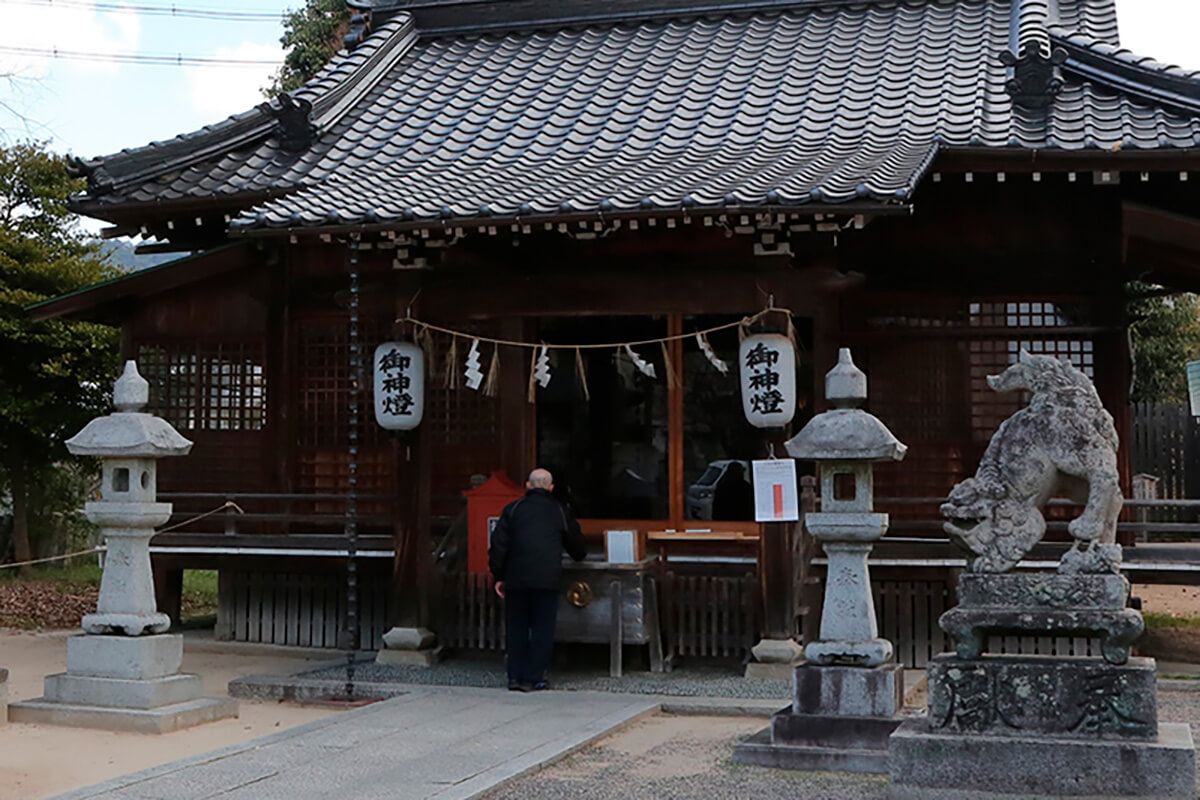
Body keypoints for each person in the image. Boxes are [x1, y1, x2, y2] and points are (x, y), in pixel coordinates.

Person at [488, 467, 587, 691]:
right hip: (546, 578)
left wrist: (499, 575)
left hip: (516, 578)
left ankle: (514, 676)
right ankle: (533, 678)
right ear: (551, 488)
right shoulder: (559, 511)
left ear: (528, 485)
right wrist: (579, 554)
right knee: (542, 628)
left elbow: (498, 546)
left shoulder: (513, 509)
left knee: (516, 627)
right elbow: (576, 547)